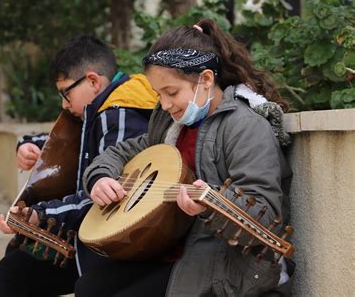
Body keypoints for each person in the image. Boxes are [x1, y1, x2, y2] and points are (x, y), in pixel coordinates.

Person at [77, 19, 295, 296]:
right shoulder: (171, 126)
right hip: (173, 248)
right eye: (159, 94)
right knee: (88, 287)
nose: (165, 105)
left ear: (205, 79)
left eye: (171, 93)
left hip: (227, 265)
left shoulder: (244, 126)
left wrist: (211, 205)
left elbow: (265, 218)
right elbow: (121, 151)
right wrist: (100, 177)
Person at [0, 35, 158, 297]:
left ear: (92, 81)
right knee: (15, 259)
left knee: (14, 271)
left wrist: (41, 214)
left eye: (66, 93)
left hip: (110, 246)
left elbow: (104, 198)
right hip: (91, 237)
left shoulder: (119, 115)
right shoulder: (104, 106)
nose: (64, 104)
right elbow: (74, 143)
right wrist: (27, 145)